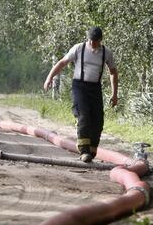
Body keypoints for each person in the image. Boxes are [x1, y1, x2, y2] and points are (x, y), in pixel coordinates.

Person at [43, 26, 118, 163]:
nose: (92, 44)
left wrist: (114, 94)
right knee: (83, 116)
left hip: (95, 88)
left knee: (98, 119)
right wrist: (49, 78)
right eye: (90, 40)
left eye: (95, 41)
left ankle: (92, 149)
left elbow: (113, 72)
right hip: (79, 86)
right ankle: (84, 151)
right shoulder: (78, 48)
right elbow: (62, 63)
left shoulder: (106, 53)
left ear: (100, 40)